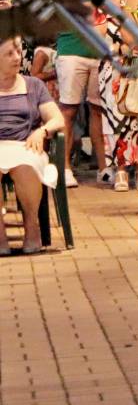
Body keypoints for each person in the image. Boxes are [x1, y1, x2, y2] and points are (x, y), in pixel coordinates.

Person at [0, 37, 65, 255]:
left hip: (25, 146)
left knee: (26, 166)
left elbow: (57, 119)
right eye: (9, 54)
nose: (17, 58)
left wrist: (42, 131)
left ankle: (31, 226)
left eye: (18, 52)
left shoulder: (33, 85)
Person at [56, 0, 106, 188]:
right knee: (68, 110)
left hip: (98, 51)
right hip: (71, 50)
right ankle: (64, 168)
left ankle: (104, 167)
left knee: (99, 110)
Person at [97, 0, 138, 192]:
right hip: (111, 69)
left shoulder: (133, 4)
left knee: (137, 115)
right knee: (115, 117)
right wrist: (121, 49)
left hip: (134, 66)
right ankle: (120, 170)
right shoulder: (102, 6)